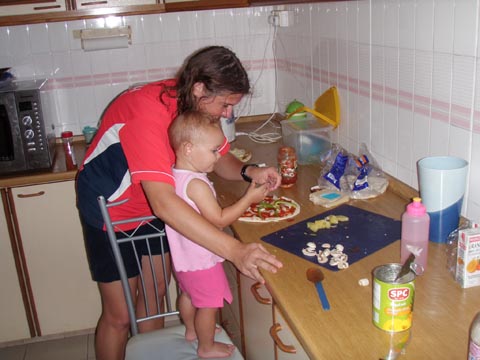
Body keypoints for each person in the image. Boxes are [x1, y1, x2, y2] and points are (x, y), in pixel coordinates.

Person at [76, 45, 283, 360]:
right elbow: (163, 203)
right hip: (113, 211)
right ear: (200, 88)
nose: (228, 113)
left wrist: (249, 171)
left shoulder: (193, 106)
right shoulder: (145, 109)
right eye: (226, 104)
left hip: (161, 206)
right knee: (119, 315)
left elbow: (220, 156)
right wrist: (235, 251)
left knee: (156, 293)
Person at [166, 111, 269, 358]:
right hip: (202, 258)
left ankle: (191, 331)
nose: (218, 156)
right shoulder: (197, 184)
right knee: (209, 304)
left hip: (184, 260)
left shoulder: (175, 175)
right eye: (214, 151)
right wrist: (249, 198)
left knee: (189, 295)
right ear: (189, 149)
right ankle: (206, 345)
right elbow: (219, 219)